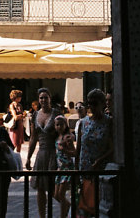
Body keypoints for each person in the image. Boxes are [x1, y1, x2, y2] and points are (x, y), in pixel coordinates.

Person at [76, 89, 113, 217]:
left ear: (102, 103)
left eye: (94, 103)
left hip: (101, 170)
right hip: (85, 170)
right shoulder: (84, 123)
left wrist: (99, 161)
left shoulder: (109, 122)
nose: (91, 106)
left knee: (100, 207)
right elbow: (79, 148)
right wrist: (76, 171)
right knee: (85, 206)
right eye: (89, 103)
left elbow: (112, 147)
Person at [25, 87, 59, 218]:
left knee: (51, 187)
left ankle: (57, 211)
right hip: (41, 153)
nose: (43, 100)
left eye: (45, 97)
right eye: (41, 98)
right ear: (38, 100)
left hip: (53, 152)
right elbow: (33, 137)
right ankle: (42, 216)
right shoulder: (35, 115)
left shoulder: (56, 113)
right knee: (40, 187)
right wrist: (28, 157)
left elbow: (63, 133)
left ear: (50, 98)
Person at [52, 115, 76, 218]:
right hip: (60, 168)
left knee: (61, 195)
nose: (59, 127)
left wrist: (64, 150)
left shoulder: (67, 137)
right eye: (57, 125)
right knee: (56, 195)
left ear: (65, 125)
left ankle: (63, 215)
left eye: (61, 124)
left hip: (67, 168)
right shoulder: (57, 137)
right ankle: (69, 207)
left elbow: (74, 153)